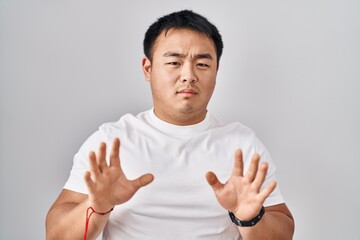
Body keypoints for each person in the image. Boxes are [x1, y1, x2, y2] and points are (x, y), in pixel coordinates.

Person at [46, 10, 294, 240]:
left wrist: (249, 217)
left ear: (216, 70)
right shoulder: (111, 143)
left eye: (203, 64)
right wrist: (97, 207)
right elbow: (55, 235)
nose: (189, 75)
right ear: (148, 68)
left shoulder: (242, 145)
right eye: (174, 62)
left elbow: (283, 233)